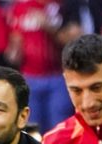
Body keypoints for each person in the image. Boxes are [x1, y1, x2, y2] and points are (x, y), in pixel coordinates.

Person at [7, 0, 71, 131]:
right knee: (32, 129)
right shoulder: (20, 8)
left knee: (59, 128)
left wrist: (48, 26)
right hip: (30, 78)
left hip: (58, 77)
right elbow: (15, 41)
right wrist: (13, 52)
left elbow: (72, 41)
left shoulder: (62, 6)